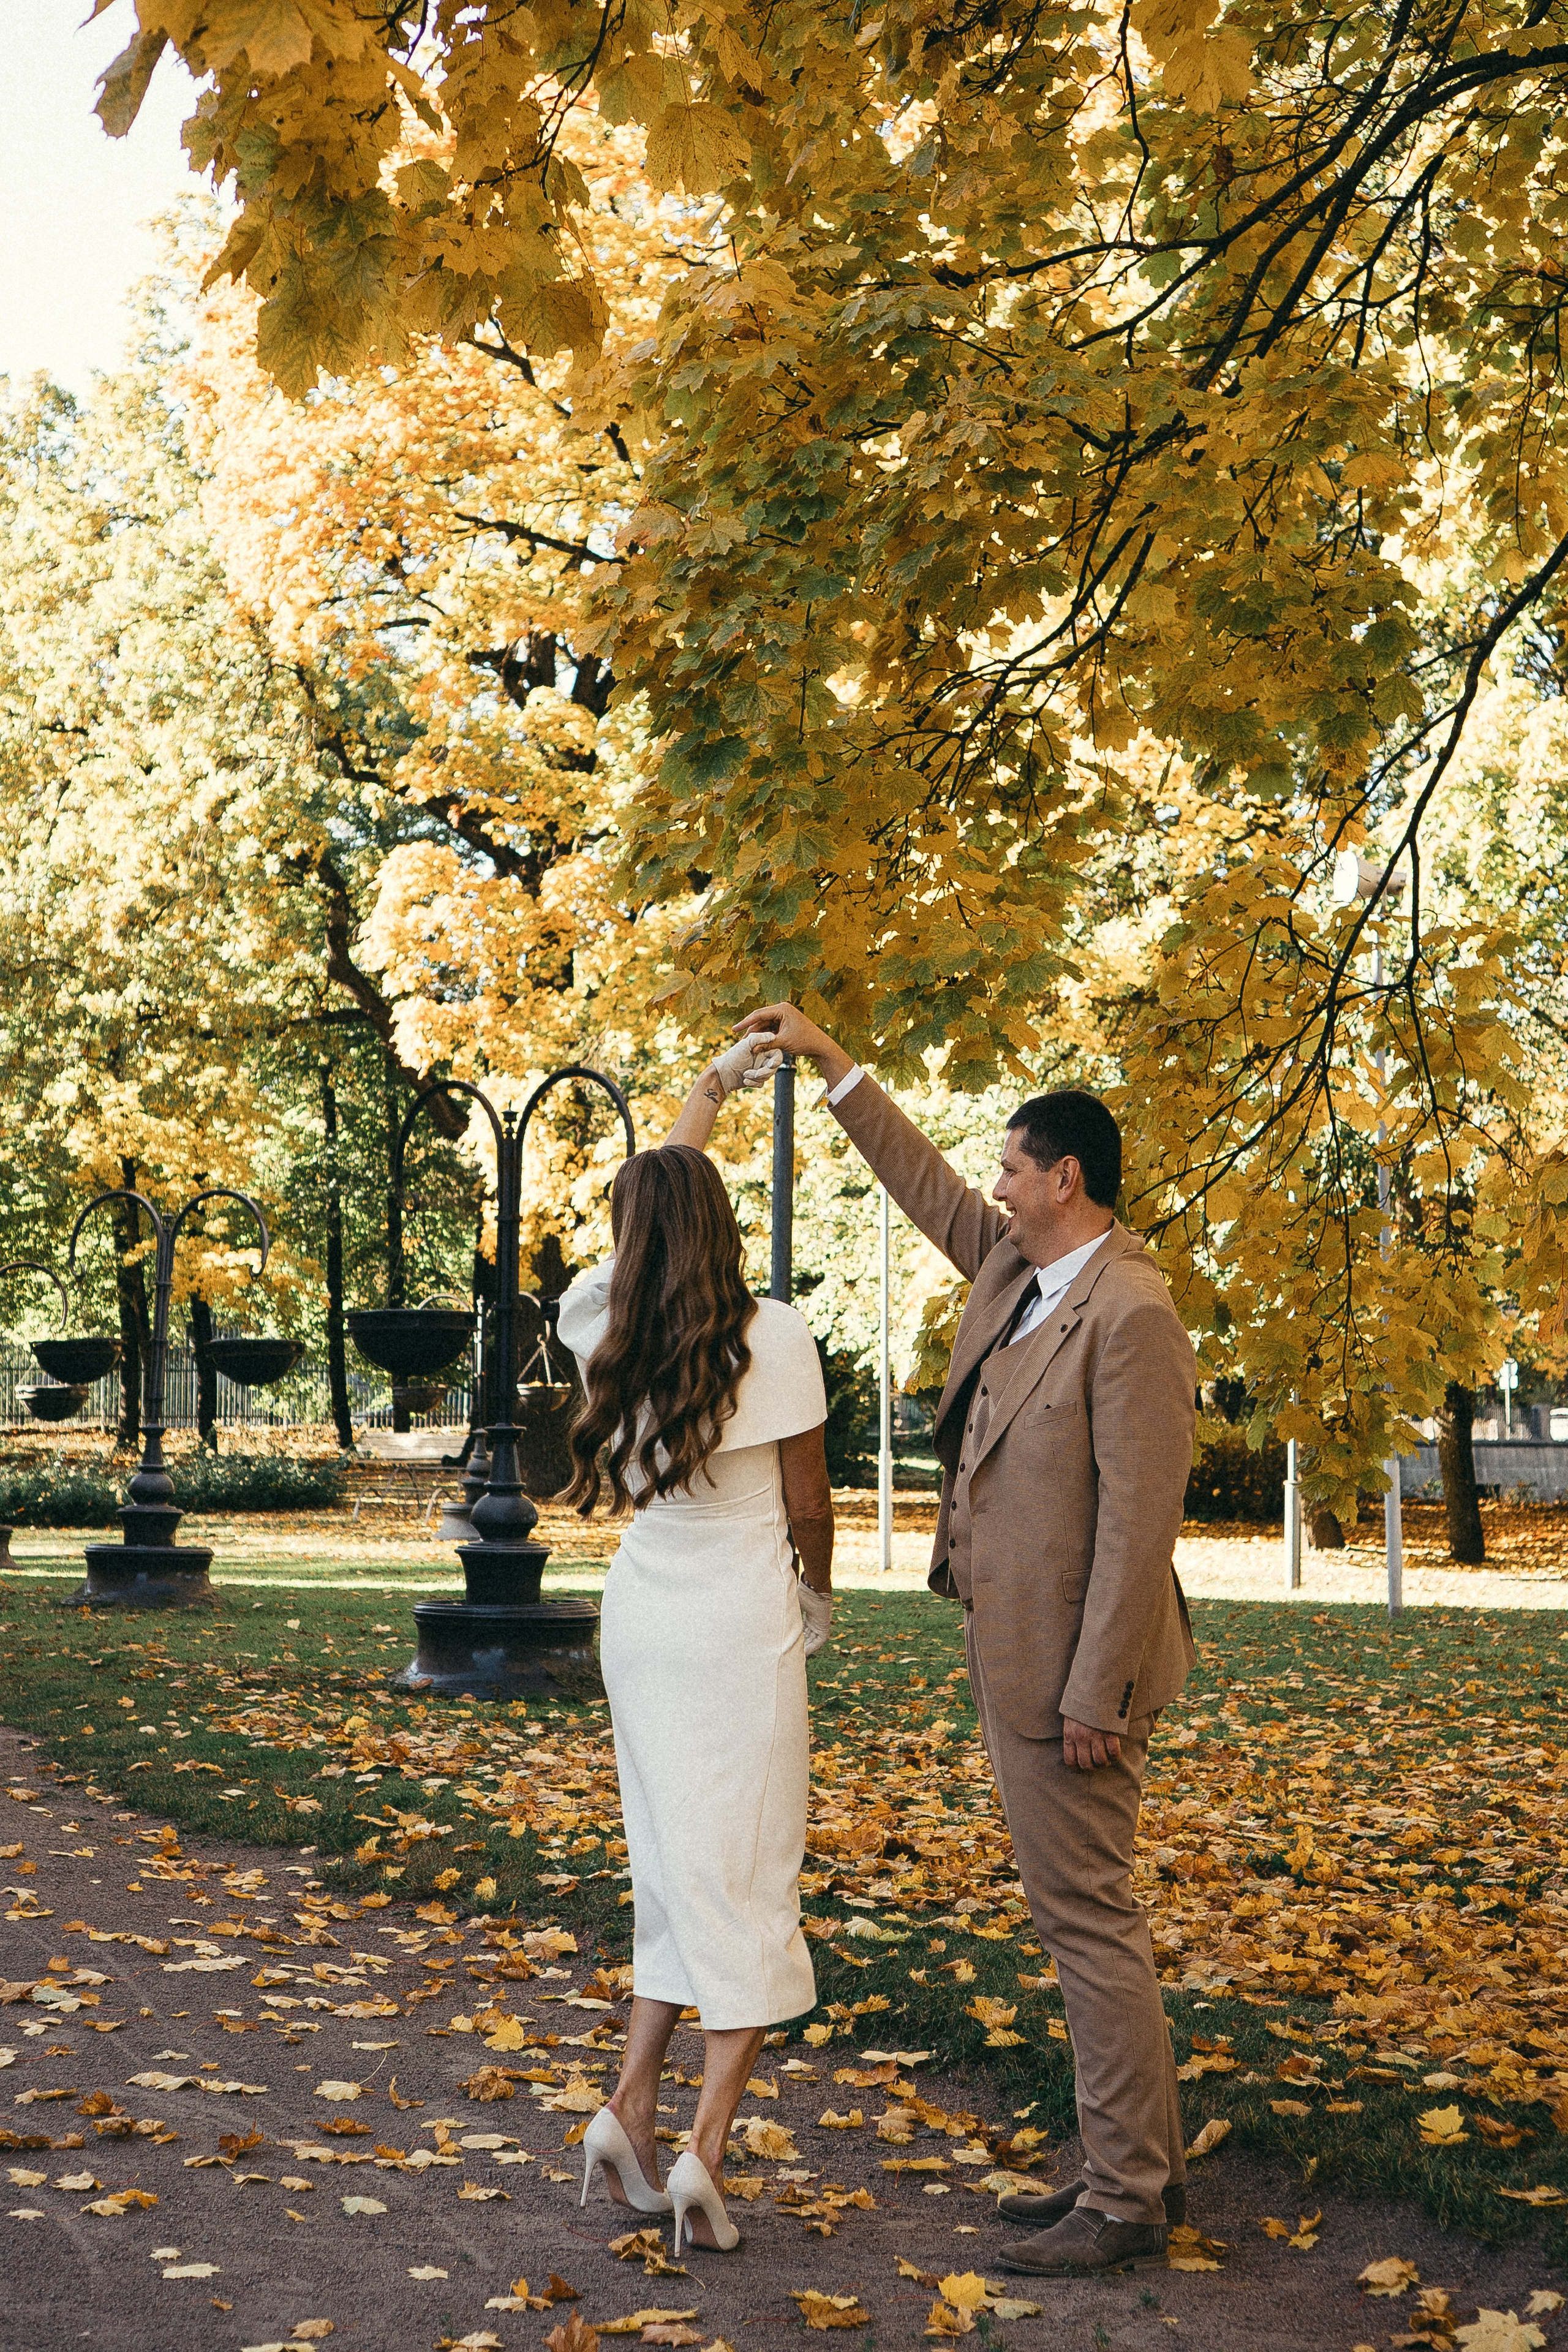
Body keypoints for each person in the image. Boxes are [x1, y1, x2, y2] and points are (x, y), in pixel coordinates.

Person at [733, 1004, 1196, 2280]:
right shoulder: (1017, 1272)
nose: (989, 1182)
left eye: (1008, 1165)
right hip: (1017, 1655)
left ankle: (1125, 2198)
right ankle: (1129, 2171)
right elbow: (918, 1178)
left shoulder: (1131, 1313)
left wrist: (1095, 1687)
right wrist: (832, 1063)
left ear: (1064, 1178)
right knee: (1076, 1919)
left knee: (1087, 1921)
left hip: (1074, 1677)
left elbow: (1136, 1533)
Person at [555, 1036, 834, 2256]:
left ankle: (624, 2106)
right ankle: (702, 2152)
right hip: (736, 1619)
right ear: (723, 1226)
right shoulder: (773, 1338)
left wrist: (709, 1092)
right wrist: (815, 1600)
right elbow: (810, 1509)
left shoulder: (594, 1319)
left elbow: (658, 1190)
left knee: (671, 1862)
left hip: (643, 1615)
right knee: (749, 1877)